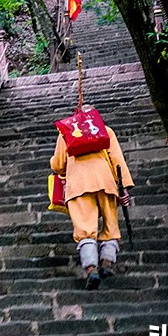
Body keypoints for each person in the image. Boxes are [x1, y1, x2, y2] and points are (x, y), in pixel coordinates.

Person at [50, 115, 134, 290]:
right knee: (111, 225)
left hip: (79, 185)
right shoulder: (105, 130)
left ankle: (91, 269)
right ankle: (107, 262)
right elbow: (117, 160)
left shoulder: (65, 132)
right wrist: (124, 187)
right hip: (106, 182)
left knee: (85, 228)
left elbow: (58, 166)